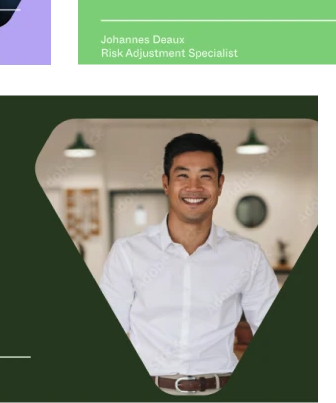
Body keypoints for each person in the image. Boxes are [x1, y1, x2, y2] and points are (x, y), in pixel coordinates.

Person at [99, 133, 279, 396]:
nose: (194, 187)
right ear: (166, 183)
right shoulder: (127, 253)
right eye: (183, 175)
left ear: (220, 184)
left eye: (205, 176)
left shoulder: (247, 256)